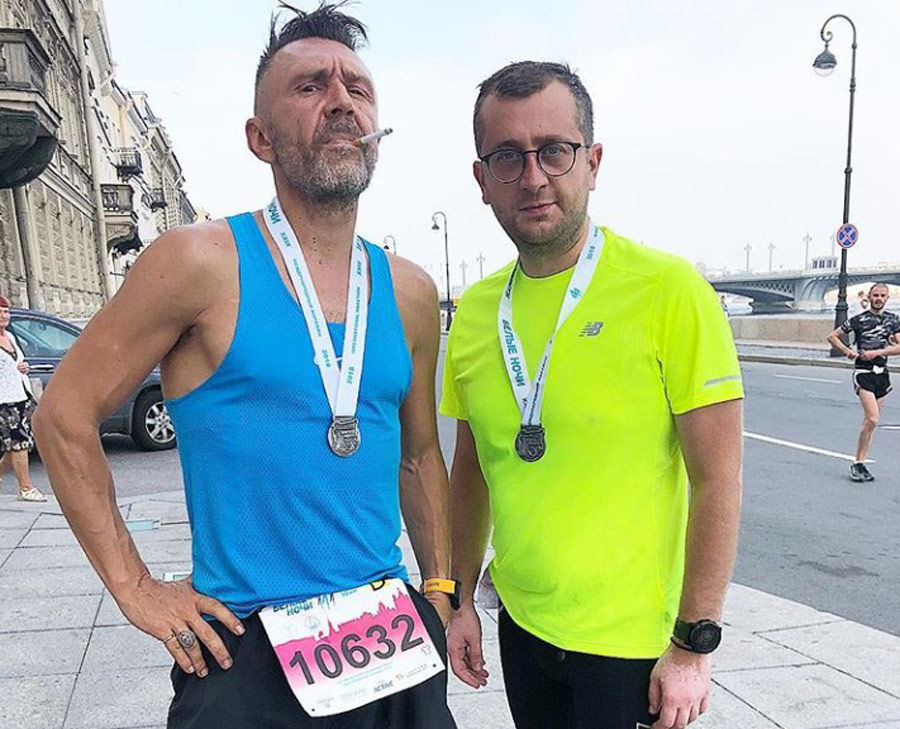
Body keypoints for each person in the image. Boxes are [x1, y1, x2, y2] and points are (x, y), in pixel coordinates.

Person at [33, 5, 456, 728]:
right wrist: (136, 587)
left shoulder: (409, 290)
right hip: (250, 647)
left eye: (357, 87)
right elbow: (62, 416)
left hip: (390, 639)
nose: (341, 101)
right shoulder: (198, 262)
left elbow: (418, 456)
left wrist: (440, 589)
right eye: (310, 86)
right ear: (260, 137)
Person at [441, 61, 744, 729]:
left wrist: (694, 642)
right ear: (482, 180)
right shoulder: (475, 313)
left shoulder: (668, 290)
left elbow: (718, 478)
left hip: (634, 645)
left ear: (593, 162)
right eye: (507, 157)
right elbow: (473, 470)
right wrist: (459, 599)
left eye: (554, 150)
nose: (533, 176)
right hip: (523, 626)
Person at [827, 283, 900, 482]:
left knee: (870, 423)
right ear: (870, 296)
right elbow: (832, 336)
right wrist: (848, 351)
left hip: (882, 374)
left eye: (882, 295)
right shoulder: (859, 320)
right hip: (863, 372)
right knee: (873, 418)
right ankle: (858, 463)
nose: (878, 298)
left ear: (887, 298)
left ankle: (860, 462)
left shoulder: (893, 320)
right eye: (875, 295)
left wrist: (878, 352)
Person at [0, 295, 46, 502]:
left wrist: (22, 366)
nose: (4, 315)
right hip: (4, 400)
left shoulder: (9, 336)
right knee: (19, 442)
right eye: (0, 312)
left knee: (18, 442)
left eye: (6, 311)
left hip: (20, 394)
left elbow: (16, 362)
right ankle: (26, 488)